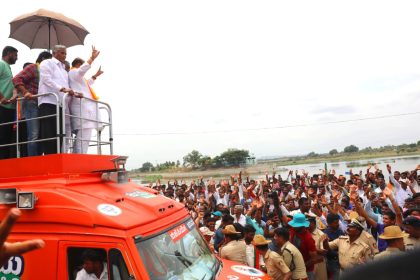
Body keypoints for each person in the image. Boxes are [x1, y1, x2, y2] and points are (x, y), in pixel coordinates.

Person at [12, 51, 52, 156]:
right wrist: (25, 92)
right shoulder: (33, 67)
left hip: (42, 104)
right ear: (43, 59)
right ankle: (33, 161)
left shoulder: (46, 71)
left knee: (41, 135)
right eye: (49, 60)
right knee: (34, 134)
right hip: (31, 103)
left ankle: (38, 159)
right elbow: (16, 79)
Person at [38, 45, 74, 154]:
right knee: (49, 132)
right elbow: (46, 79)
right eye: (62, 53)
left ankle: (57, 156)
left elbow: (67, 85)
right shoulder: (47, 63)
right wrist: (61, 88)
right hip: (48, 101)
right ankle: (50, 157)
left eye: (65, 53)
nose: (64, 55)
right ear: (54, 53)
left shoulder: (63, 69)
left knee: (60, 133)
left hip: (60, 104)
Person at [69, 46, 103, 154]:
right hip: (83, 111)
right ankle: (79, 157)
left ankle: (78, 156)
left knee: (83, 137)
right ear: (78, 65)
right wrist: (91, 58)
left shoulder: (77, 76)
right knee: (83, 138)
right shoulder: (74, 72)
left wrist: (95, 76)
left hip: (85, 110)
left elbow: (87, 84)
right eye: (82, 64)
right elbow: (82, 71)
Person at [0, 46, 18, 159]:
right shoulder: (1, 64)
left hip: (9, 108)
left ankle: (5, 162)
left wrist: (15, 94)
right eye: (15, 55)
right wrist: (1, 98)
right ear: (9, 53)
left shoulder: (8, 67)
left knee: (6, 137)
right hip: (2, 106)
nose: (17, 58)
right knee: (3, 136)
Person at [288, 213, 319, 279]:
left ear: (301, 226)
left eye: (295, 225)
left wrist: (301, 266)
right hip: (294, 267)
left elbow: (314, 258)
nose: (293, 226)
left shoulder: (308, 238)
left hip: (307, 271)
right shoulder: (293, 230)